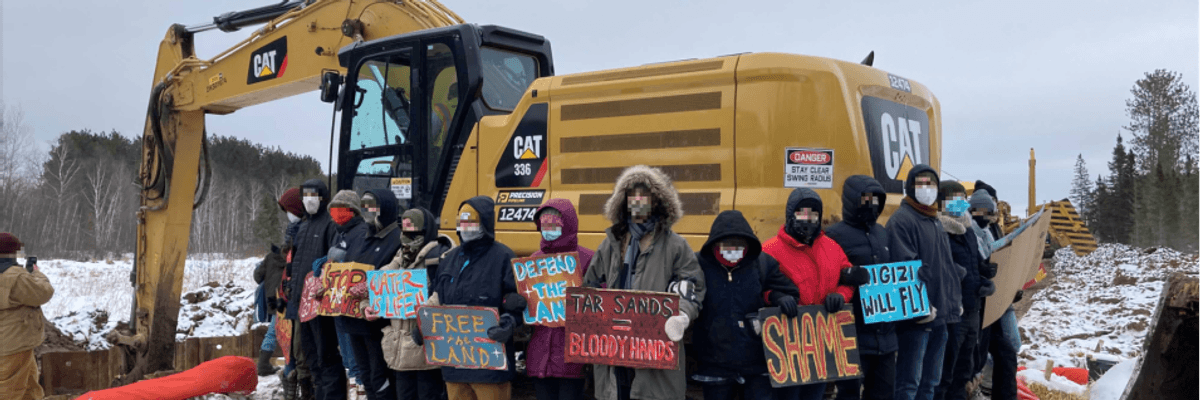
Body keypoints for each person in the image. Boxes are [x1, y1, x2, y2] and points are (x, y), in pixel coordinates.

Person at [582, 165, 704, 400]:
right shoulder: (611, 243)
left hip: (655, 348)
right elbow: (591, 286)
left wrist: (682, 315)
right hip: (614, 347)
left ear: (657, 201)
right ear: (623, 201)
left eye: (644, 196)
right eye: (632, 196)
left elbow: (692, 286)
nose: (638, 201)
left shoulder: (675, 245)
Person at [693, 210, 800, 400]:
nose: (733, 250)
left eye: (739, 245)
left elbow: (789, 291)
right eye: (727, 244)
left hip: (756, 363)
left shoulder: (763, 263)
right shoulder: (698, 265)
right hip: (714, 363)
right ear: (715, 244)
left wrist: (776, 297)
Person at [426, 196, 524, 400]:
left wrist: (509, 324)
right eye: (462, 222)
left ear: (485, 223)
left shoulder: (504, 257)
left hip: (490, 364)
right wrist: (423, 325)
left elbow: (518, 303)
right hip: (454, 363)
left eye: (472, 221)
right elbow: (436, 299)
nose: (466, 227)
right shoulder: (449, 260)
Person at [761, 188, 854, 400]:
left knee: (816, 395)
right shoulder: (769, 250)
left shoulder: (832, 247)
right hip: (788, 343)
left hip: (822, 341)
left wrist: (841, 295)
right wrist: (774, 297)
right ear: (790, 214)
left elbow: (847, 279)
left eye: (814, 214)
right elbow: (757, 287)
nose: (808, 218)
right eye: (802, 212)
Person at [886, 165, 960, 400]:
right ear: (910, 187)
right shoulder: (902, 221)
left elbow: (945, 267)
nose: (926, 190)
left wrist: (953, 301)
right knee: (909, 384)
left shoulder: (935, 221)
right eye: (921, 184)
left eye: (931, 185)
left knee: (930, 383)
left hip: (940, 315)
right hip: (916, 319)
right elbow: (903, 267)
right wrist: (920, 306)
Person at [824, 175, 898, 400]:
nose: (871, 203)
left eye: (876, 199)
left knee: (884, 394)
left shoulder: (882, 232)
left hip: (885, 336)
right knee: (848, 395)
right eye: (865, 198)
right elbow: (824, 278)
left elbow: (894, 274)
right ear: (851, 199)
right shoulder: (833, 235)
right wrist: (846, 276)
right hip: (851, 334)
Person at [378, 207, 454, 400]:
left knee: (428, 394)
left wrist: (424, 316)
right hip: (401, 347)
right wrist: (370, 304)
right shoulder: (400, 255)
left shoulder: (439, 254)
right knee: (404, 395)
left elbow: (443, 292)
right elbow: (381, 282)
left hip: (425, 343)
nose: (407, 232)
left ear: (425, 228)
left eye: (413, 227)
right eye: (404, 227)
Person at [525, 199, 595, 400]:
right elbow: (527, 303)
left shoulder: (588, 258)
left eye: (554, 225)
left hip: (572, 356)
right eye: (544, 225)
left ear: (568, 225)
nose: (549, 229)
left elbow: (598, 303)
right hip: (539, 355)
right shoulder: (533, 260)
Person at [339, 189, 404, 400]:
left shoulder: (397, 239)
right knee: (365, 375)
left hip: (379, 323)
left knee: (381, 377)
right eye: (365, 206)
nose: (368, 211)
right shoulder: (363, 236)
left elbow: (398, 279)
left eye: (373, 206)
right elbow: (349, 270)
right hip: (354, 318)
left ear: (385, 208)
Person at [934, 182, 996, 400]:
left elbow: (974, 264)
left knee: (964, 370)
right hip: (952, 314)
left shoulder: (968, 230)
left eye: (962, 197)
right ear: (942, 202)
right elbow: (938, 268)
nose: (960, 202)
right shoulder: (938, 230)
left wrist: (984, 276)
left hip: (972, 310)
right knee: (945, 373)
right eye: (954, 198)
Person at [286, 179, 346, 400]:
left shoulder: (330, 224)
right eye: (305, 194)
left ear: (322, 197)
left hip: (321, 303)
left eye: (314, 194)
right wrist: (291, 288)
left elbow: (333, 260)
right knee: (310, 356)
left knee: (326, 355)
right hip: (302, 303)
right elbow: (297, 261)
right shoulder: (302, 226)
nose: (309, 199)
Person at [967, 188, 1020, 400]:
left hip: (994, 303)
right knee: (975, 358)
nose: (985, 217)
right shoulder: (967, 232)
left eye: (988, 212)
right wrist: (981, 271)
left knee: (1007, 351)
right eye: (980, 211)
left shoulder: (988, 232)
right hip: (976, 306)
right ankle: (976, 389)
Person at [255, 187, 305, 376]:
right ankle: (286, 366)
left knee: (275, 331)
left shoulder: (270, 258)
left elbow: (257, 277)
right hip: (285, 298)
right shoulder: (292, 256)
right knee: (285, 333)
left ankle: (264, 363)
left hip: (274, 299)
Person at [0, 233, 54, 400]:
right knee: (9, 391)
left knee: (30, 388)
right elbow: (43, 292)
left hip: (14, 343)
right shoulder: (15, 276)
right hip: (13, 344)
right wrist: (35, 273)